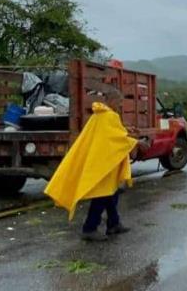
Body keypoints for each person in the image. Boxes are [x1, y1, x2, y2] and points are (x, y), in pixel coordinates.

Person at [44, 102, 145, 241]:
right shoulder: (111, 116)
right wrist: (138, 142)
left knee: (112, 193)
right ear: (112, 101)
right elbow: (117, 139)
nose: (121, 106)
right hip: (104, 163)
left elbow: (111, 134)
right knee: (102, 195)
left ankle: (114, 223)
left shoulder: (99, 116)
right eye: (119, 102)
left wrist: (126, 129)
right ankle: (89, 228)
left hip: (101, 161)